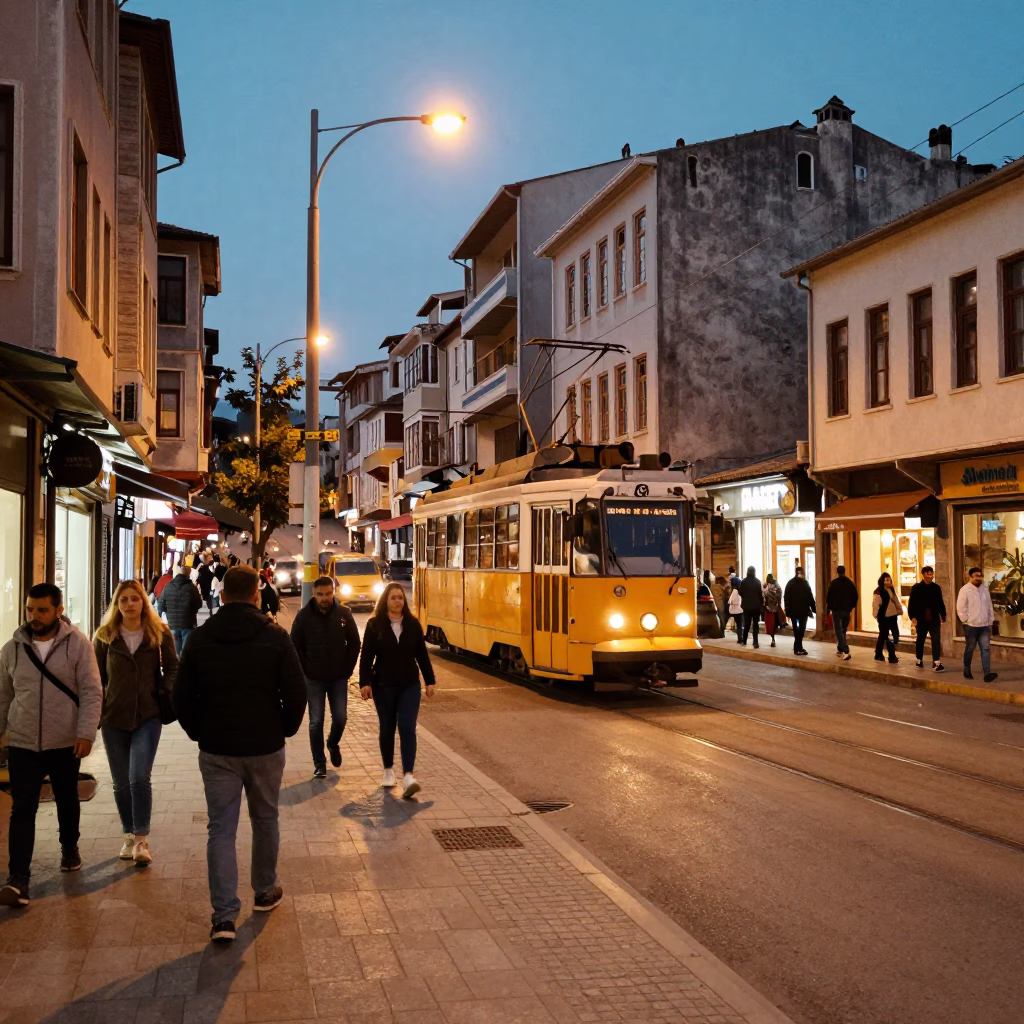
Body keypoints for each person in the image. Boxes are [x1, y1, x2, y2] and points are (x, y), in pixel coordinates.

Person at [173, 565, 306, 943]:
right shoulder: (276, 638)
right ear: (255, 595)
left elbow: (181, 697)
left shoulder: (201, 638)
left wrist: (200, 731)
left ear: (223, 594)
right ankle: (264, 891)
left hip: (217, 749)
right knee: (265, 819)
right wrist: (282, 728)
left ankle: (224, 917)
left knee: (221, 829)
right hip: (264, 746)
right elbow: (296, 693)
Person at [0, 583, 102, 907]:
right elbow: (3, 695)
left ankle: (69, 846)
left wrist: (85, 733)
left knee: (67, 799)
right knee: (22, 808)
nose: (34, 616)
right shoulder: (12, 648)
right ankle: (18, 878)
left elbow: (91, 691)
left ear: (58, 610)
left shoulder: (78, 645)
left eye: (42, 610)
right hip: (23, 742)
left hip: (64, 741)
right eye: (30, 609)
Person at [93, 580, 177, 866]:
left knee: (139, 776)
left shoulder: (158, 633)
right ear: (117, 604)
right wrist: (98, 708)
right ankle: (128, 834)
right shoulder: (104, 636)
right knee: (120, 783)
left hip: (148, 715)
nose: (130, 604)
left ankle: (141, 839)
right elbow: (95, 678)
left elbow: (173, 668)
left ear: (144, 602)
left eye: (135, 599)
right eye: (124, 600)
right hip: (113, 716)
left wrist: (164, 690)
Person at [359, 583, 436, 799]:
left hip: (409, 685)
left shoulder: (413, 625)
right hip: (383, 686)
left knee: (407, 726)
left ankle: (409, 776)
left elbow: (422, 655)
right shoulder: (375, 625)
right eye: (393, 598)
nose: (397, 601)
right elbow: (366, 657)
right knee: (387, 728)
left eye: (400, 598)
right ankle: (388, 771)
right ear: (386, 601)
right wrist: (364, 682)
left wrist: (430, 681)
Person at [290, 576, 361, 779]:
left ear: (333, 593)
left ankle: (332, 743)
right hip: (314, 680)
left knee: (340, 717)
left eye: (328, 594)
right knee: (316, 721)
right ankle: (319, 762)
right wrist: (306, 670)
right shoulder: (303, 617)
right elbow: (294, 645)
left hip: (338, 677)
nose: (324, 598)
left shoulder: (343, 614)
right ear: (314, 594)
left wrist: (347, 669)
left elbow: (355, 643)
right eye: (320, 594)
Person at [956, 567, 998, 683]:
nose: (979, 578)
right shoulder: (965, 590)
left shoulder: (985, 590)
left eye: (980, 575)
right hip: (971, 626)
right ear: (970, 577)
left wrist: (990, 620)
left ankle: (987, 673)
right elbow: (960, 607)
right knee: (970, 648)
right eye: (976, 575)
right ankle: (966, 669)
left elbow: (989, 606)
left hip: (984, 625)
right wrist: (966, 620)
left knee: (986, 649)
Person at [157, 559, 202, 655]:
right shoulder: (191, 587)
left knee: (176, 646)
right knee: (186, 648)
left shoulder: (168, 586)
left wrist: (167, 611)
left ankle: (179, 664)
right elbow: (199, 603)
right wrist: (192, 610)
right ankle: (183, 664)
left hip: (172, 622)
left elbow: (161, 605)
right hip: (188, 622)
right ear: (188, 575)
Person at [908, 566, 947, 672]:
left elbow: (940, 602)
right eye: (928, 574)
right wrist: (912, 617)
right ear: (923, 574)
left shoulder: (936, 588)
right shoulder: (916, 587)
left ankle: (936, 662)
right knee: (921, 639)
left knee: (936, 638)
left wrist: (943, 614)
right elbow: (912, 603)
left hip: (934, 617)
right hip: (921, 617)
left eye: (931, 574)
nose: (930, 576)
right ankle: (919, 659)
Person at [825, 566, 858, 661]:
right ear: (845, 571)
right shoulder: (850, 583)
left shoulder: (833, 583)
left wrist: (829, 608)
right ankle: (840, 649)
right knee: (843, 630)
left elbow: (829, 597)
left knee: (838, 631)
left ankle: (845, 650)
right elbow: (855, 596)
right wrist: (851, 607)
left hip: (836, 610)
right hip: (846, 610)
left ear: (837, 572)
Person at [783, 567, 816, 655]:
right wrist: (787, 610)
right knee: (798, 631)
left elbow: (810, 597)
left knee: (800, 631)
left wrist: (814, 609)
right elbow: (787, 598)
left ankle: (798, 647)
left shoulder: (804, 583)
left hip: (802, 612)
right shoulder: (793, 583)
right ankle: (798, 648)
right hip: (796, 612)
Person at [871, 572, 903, 664]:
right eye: (886, 580)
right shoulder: (878, 591)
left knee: (895, 635)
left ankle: (891, 655)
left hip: (893, 616)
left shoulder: (891, 589)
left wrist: (899, 610)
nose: (888, 582)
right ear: (882, 581)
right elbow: (876, 604)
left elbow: (896, 600)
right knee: (883, 636)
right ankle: (881, 654)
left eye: (889, 580)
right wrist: (875, 615)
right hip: (883, 617)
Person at [738, 566, 763, 648]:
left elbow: (740, 593)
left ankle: (744, 640)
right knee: (755, 625)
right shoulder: (758, 582)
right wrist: (761, 603)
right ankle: (755, 642)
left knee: (747, 624)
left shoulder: (743, 582)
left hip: (747, 606)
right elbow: (760, 594)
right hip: (756, 606)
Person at [762, 573, 783, 648]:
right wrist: (778, 601)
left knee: (771, 624)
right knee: (774, 624)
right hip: (775, 608)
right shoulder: (776, 585)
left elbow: (764, 595)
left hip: (769, 608)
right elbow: (779, 592)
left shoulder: (767, 586)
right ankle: (773, 638)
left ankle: (773, 638)